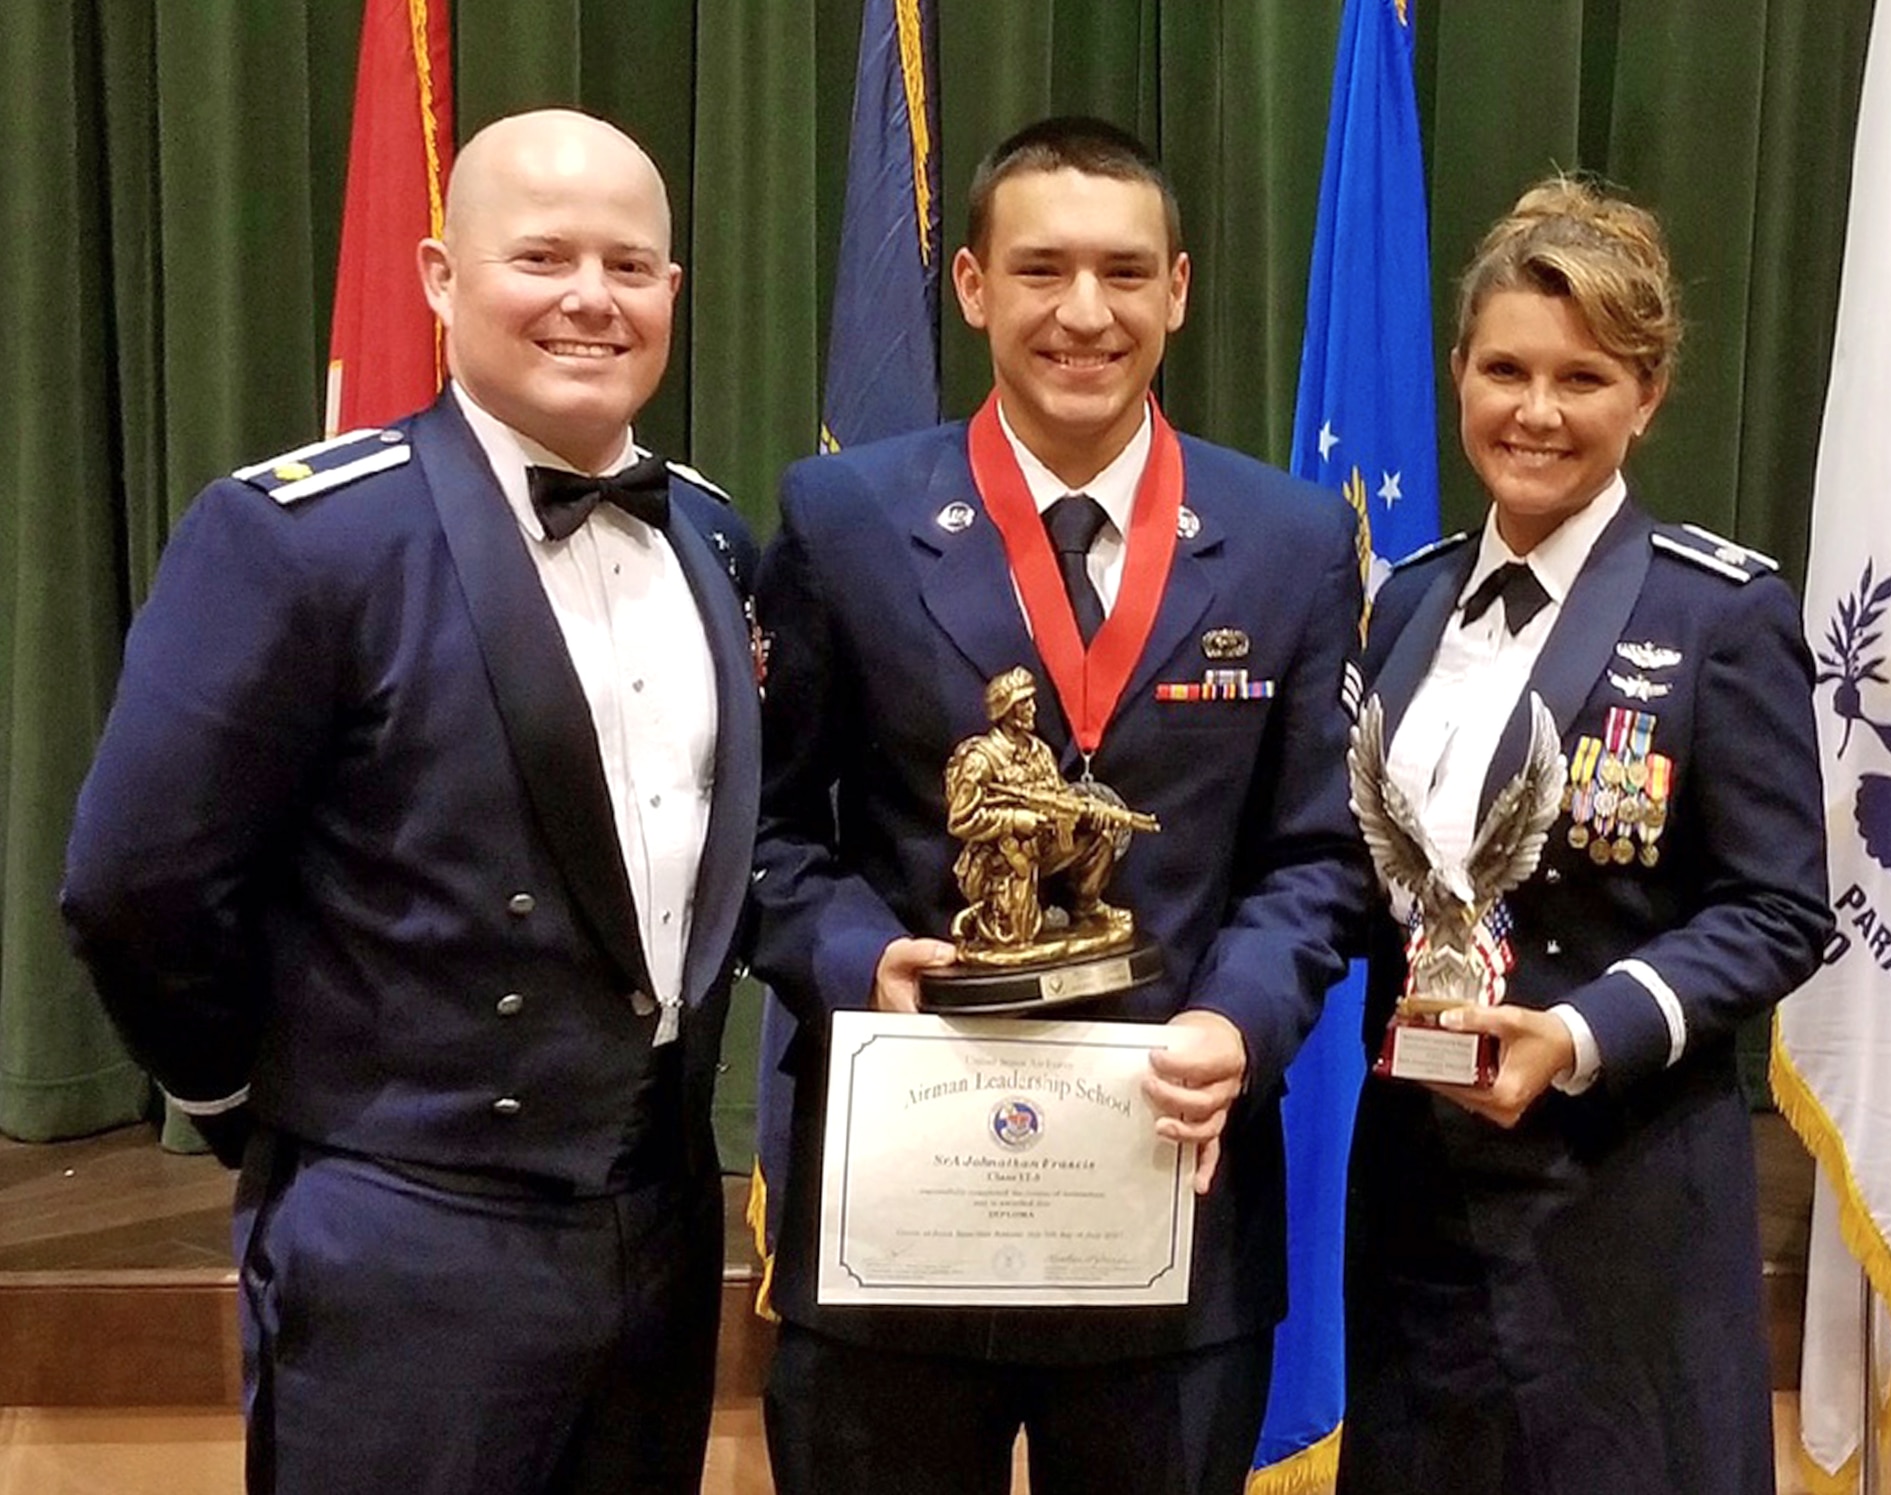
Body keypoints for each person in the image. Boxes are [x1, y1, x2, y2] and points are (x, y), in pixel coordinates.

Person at [62, 109, 759, 1495]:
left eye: (629, 265)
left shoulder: (715, 533)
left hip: (663, 1219)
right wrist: (260, 1104)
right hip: (410, 1231)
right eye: (541, 255)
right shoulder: (299, 538)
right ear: (441, 276)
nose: (589, 297)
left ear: (674, 294)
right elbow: (136, 879)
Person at [751, 115, 1372, 1495]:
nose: (1085, 312)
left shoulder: (1289, 538)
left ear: (1181, 289)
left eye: (1124, 271)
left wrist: (1240, 1015)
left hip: (1169, 1199)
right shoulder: (843, 517)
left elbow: (1321, 855)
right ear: (973, 286)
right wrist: (864, 963)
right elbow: (769, 834)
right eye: (1041, 270)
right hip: (898, 1214)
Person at [1338, 176, 1834, 1495]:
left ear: (1648, 392)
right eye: (1505, 368)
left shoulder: (1722, 615)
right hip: (1414, 1185)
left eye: (1585, 377)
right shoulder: (1409, 603)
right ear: (1459, 373)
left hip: (1615, 1194)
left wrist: (1581, 1031)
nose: (1537, 411)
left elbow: (1782, 906)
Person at [944, 667, 1125, 955]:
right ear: (1005, 710)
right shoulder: (981, 759)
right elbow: (962, 819)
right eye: (1023, 703)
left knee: (1099, 839)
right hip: (1002, 856)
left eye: (1031, 701)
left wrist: (1089, 810)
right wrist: (1015, 820)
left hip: (1043, 842)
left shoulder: (1039, 751)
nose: (1032, 709)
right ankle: (992, 915)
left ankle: (1087, 908)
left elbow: (1060, 794)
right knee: (1015, 939)